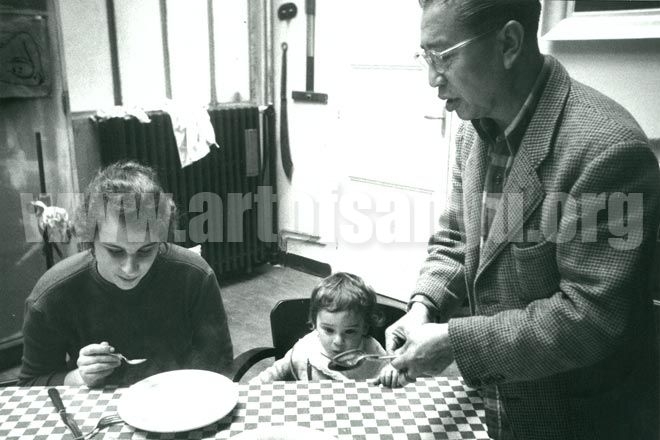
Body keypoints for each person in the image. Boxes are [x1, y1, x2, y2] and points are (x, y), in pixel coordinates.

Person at [376, 1, 660, 439]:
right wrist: (422, 308)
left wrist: (454, 343)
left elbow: (590, 318)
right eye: (425, 57)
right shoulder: (474, 129)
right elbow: (457, 238)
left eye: (443, 56)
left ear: (508, 43)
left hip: (578, 420)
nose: (432, 78)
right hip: (502, 405)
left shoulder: (608, 149)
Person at [19, 161, 234, 387]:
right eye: (115, 251)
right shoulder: (52, 295)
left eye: (146, 250)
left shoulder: (195, 276)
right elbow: (30, 385)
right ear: (89, 238)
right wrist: (80, 377)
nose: (130, 269)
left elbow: (220, 367)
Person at [251, 272, 391, 383]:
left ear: (364, 328)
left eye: (349, 331)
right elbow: (274, 373)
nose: (338, 341)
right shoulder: (307, 347)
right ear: (314, 323)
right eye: (329, 330)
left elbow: (388, 374)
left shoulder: (373, 352)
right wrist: (252, 389)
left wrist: (392, 374)